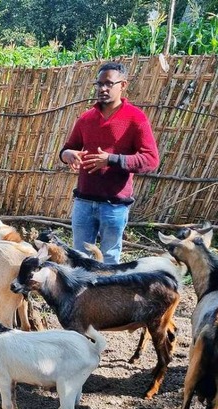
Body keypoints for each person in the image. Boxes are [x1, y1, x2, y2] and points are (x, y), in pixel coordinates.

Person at [59, 62, 159, 264]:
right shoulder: (86, 119)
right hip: (83, 201)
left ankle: (106, 295)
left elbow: (151, 159)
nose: (102, 89)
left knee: (110, 259)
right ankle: (83, 296)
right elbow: (66, 148)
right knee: (79, 259)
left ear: (123, 85)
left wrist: (111, 160)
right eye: (99, 84)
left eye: (108, 84)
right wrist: (67, 154)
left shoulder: (135, 119)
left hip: (115, 205)